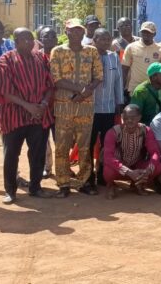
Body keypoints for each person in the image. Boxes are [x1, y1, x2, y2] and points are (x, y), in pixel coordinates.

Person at [0, 28, 54, 204]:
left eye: (31, 39)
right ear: (16, 41)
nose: (29, 42)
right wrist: (28, 106)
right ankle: (10, 191)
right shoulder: (6, 60)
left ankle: (35, 187)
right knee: (11, 155)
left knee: (38, 153)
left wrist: (43, 104)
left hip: (38, 115)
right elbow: (4, 91)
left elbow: (50, 85)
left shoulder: (41, 59)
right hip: (13, 116)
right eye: (24, 39)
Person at [50, 19, 103, 198]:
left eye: (79, 30)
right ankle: (63, 183)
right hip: (64, 106)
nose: (76, 33)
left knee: (85, 146)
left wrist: (85, 93)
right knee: (62, 146)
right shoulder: (57, 51)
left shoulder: (91, 51)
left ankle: (84, 181)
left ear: (83, 32)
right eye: (72, 30)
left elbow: (98, 76)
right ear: (66, 31)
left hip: (85, 106)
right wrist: (81, 90)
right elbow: (57, 79)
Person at [102, 104, 161, 200]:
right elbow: (108, 157)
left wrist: (148, 170)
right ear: (122, 117)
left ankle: (138, 183)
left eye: (133, 118)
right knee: (108, 170)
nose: (129, 120)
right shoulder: (113, 132)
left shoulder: (146, 130)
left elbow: (155, 152)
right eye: (126, 118)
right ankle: (110, 185)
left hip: (137, 166)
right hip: (119, 168)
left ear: (139, 117)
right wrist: (129, 172)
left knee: (157, 167)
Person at [89, 28, 124, 187]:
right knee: (89, 143)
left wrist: (119, 102)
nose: (105, 42)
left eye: (108, 39)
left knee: (107, 143)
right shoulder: (87, 55)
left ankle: (102, 173)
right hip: (90, 109)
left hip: (109, 108)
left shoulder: (114, 57)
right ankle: (88, 175)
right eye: (102, 39)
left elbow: (118, 80)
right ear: (94, 40)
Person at [122, 21, 161, 97]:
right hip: (134, 89)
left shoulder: (160, 49)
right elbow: (124, 70)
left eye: (149, 32)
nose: (146, 34)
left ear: (154, 34)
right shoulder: (131, 47)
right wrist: (122, 89)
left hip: (153, 91)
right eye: (144, 32)